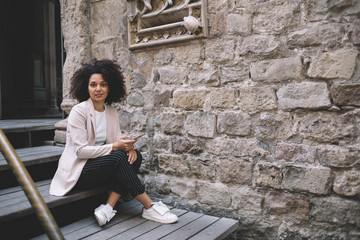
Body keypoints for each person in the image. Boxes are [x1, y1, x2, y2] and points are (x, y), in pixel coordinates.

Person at [49, 59, 178, 226]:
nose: (98, 89)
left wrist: (128, 147)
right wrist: (116, 148)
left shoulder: (111, 112)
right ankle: (149, 205)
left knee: (135, 156)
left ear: (109, 87)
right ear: (86, 87)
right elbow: (81, 151)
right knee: (118, 157)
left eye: (103, 84)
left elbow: (116, 140)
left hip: (101, 165)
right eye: (93, 85)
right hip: (80, 170)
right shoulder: (78, 111)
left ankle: (108, 207)